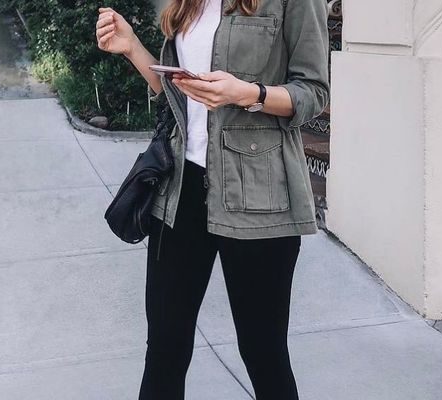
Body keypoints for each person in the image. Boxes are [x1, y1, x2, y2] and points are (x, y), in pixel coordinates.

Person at [96, 0, 330, 398]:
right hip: (180, 189)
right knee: (165, 349)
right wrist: (131, 46)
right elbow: (180, 99)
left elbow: (313, 93)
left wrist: (247, 94)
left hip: (259, 194)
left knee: (263, 352)